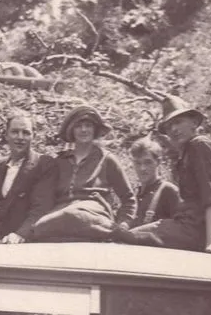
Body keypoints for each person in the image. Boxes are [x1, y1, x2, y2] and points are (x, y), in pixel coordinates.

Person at [117, 95, 211, 254]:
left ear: (194, 122)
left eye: (178, 122)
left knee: (125, 240)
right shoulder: (185, 154)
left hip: (195, 232)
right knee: (124, 236)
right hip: (184, 227)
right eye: (169, 126)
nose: (174, 130)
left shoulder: (200, 145)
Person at [24, 104, 136, 242]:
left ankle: (111, 233)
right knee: (40, 227)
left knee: (75, 215)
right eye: (78, 126)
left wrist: (123, 225)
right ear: (71, 130)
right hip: (60, 216)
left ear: (95, 129)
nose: (83, 130)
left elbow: (129, 199)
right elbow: (45, 199)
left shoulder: (107, 159)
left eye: (88, 125)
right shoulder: (60, 161)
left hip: (93, 215)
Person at [0, 111, 55, 244]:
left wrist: (20, 234)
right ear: (6, 135)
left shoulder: (43, 165)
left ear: (34, 136)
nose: (20, 137)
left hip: (25, 243)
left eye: (26, 133)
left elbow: (41, 208)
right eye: (15, 132)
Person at [130, 136, 179, 226]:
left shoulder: (168, 191)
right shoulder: (132, 194)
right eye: (138, 163)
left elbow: (181, 228)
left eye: (148, 162)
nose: (142, 168)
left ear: (158, 162)